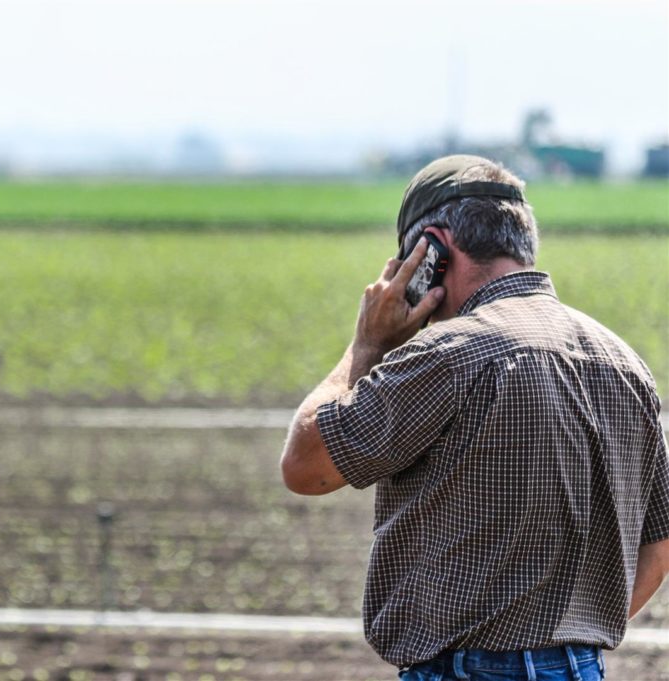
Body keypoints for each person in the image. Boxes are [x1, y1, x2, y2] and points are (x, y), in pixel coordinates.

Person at [279, 155, 669, 680]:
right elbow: (658, 546)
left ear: (433, 251)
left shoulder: (448, 353)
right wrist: (555, 636)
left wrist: (367, 344)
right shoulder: (624, 365)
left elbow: (305, 466)